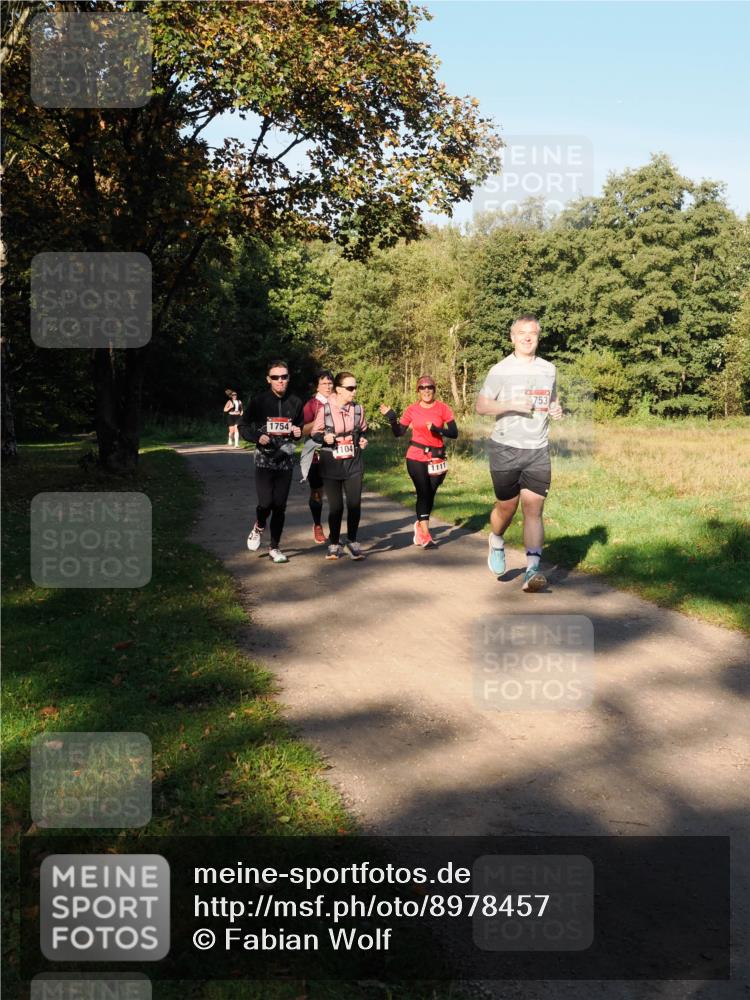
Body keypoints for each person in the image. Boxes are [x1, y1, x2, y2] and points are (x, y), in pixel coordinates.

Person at [475, 314, 563, 592]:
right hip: (506, 448)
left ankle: (532, 570)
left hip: (538, 449)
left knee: (533, 508)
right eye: (522, 333)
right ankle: (497, 539)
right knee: (507, 507)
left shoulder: (549, 369)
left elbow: (552, 398)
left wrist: (556, 408)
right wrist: (511, 404)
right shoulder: (500, 370)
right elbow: (481, 406)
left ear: (538, 337)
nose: (527, 337)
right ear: (512, 337)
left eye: (533, 333)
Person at [379, 376, 458, 547]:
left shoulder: (443, 408)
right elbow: (399, 432)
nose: (426, 390)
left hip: (437, 457)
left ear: (434, 389)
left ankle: (420, 527)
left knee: (430, 493)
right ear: (418, 391)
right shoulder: (412, 409)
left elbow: (454, 432)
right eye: (422, 388)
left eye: (430, 387)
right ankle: (425, 534)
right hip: (416, 456)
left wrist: (437, 430)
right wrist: (392, 418)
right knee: (423, 492)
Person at [240, 360, 303, 564]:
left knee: (280, 506)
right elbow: (243, 426)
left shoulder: (295, 402)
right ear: (268, 379)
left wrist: (297, 432)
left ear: (288, 378)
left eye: (284, 376)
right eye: (275, 377)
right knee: (265, 503)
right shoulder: (259, 401)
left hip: (286, 456)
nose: (280, 381)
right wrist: (257, 437)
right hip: (264, 458)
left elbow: (299, 429)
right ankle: (259, 525)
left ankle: (274, 548)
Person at [310, 371, 368, 561]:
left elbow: (363, 432)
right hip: (331, 462)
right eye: (350, 388)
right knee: (336, 507)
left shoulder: (358, 409)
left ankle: (352, 541)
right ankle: (334, 543)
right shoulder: (326, 410)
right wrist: (323, 437)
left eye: (355, 387)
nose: (354, 391)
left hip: (353, 461)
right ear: (339, 389)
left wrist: (363, 440)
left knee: (354, 504)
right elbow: (314, 435)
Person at [301, 369, 335, 544]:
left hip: (337, 453)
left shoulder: (339, 401)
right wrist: (319, 421)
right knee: (317, 491)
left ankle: (335, 531)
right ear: (317, 386)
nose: (328, 386)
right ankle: (317, 525)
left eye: (330, 383)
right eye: (324, 383)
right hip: (316, 454)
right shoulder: (311, 405)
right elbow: (301, 430)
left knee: (336, 493)